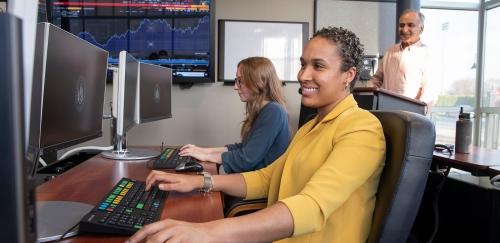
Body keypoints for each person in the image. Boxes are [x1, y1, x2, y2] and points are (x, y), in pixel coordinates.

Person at [126, 27, 386, 243]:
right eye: (303, 64)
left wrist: (206, 231)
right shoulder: (311, 127)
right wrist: (200, 182)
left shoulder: (362, 129)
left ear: (348, 75)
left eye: (318, 66)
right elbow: (267, 178)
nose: (303, 75)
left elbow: (311, 207)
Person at [179, 56, 290, 174]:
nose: (235, 87)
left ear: (258, 82)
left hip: (260, 189)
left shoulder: (273, 111)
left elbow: (246, 158)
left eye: (240, 81)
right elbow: (242, 148)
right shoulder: (264, 110)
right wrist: (203, 151)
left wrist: (205, 156)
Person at [369, 9, 435, 106]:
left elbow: (429, 92)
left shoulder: (428, 54)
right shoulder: (390, 51)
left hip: (411, 115)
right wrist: (370, 97)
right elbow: (376, 79)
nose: (404, 30)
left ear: (421, 29)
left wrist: (418, 113)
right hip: (385, 110)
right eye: (401, 25)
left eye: (410, 25)